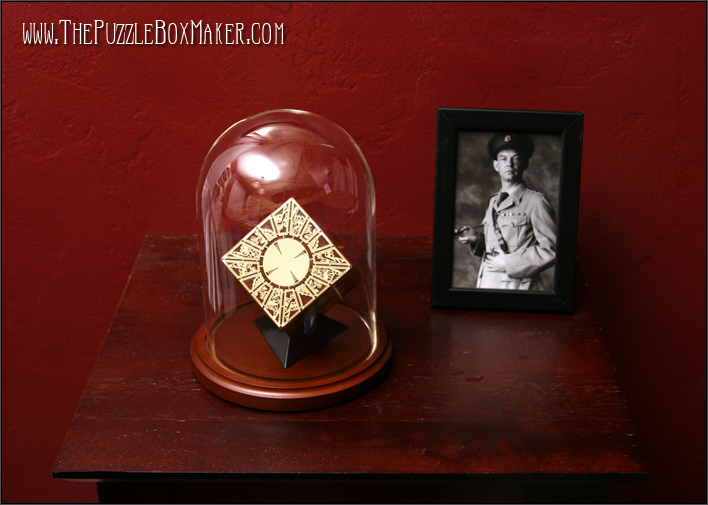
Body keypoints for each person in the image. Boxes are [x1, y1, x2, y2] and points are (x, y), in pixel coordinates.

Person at [458, 133, 557, 290]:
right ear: (496, 166)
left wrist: (508, 263)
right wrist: (477, 239)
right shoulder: (492, 202)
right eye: (503, 159)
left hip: (519, 289)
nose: (509, 164)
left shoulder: (536, 201)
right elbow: (497, 245)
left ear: (525, 164)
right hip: (488, 284)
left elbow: (552, 249)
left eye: (516, 158)